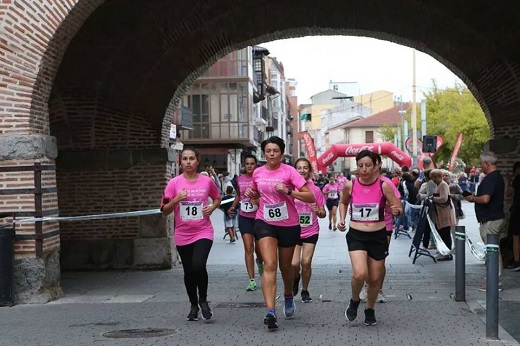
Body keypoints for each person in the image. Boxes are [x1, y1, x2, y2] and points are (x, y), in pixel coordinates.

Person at [244, 136, 314, 330]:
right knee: (270, 264)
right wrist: (252, 195)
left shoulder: (290, 171)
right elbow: (255, 193)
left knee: (286, 267)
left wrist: (289, 191)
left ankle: (288, 295)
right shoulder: (257, 172)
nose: (272, 154)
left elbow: (309, 195)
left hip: (289, 224)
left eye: (275, 151)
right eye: (268, 151)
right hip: (264, 221)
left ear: (281, 153)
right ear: (264, 153)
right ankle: (270, 311)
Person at [338, 150, 402, 326]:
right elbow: (343, 202)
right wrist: (342, 219)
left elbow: (397, 205)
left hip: (378, 235)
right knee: (360, 273)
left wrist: (397, 210)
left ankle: (370, 308)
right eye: (360, 166)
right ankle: (354, 300)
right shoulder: (350, 185)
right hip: (356, 234)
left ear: (376, 166)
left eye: (368, 165)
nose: (364, 169)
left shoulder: (384, 185)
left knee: (374, 278)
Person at [161, 148, 222, 321]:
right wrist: (176, 200)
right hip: (183, 233)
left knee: (198, 265)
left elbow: (217, 197)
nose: (188, 162)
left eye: (191, 158)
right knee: (189, 271)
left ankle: (203, 300)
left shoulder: (206, 181)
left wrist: (212, 207)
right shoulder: (174, 183)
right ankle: (193, 305)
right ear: (180, 162)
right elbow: (165, 210)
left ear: (197, 161)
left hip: (203, 230)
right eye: (185, 159)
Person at [465, 152, 505, 291]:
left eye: (481, 164)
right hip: (492, 218)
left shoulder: (491, 179)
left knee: (492, 250)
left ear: (487, 164)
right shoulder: (497, 177)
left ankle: (495, 282)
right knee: (492, 249)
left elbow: (485, 199)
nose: (480, 166)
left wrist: (472, 198)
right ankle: (493, 279)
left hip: (491, 219)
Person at [291, 158, 326, 303]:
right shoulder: (290, 188)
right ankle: (295, 278)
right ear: (295, 170)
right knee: (293, 264)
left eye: (305, 168)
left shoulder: (315, 190)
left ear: (309, 171)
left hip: (311, 230)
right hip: (293, 230)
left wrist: (319, 211)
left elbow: (323, 213)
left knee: (306, 262)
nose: (302, 170)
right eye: (299, 168)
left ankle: (305, 290)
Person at [229, 154, 264, 291]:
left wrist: (257, 199)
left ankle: (260, 263)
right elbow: (239, 194)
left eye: (252, 163)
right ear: (244, 165)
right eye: (247, 164)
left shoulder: (260, 178)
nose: (249, 166)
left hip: (259, 216)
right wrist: (233, 206)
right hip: (244, 217)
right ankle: (252, 279)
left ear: (256, 165)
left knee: (259, 249)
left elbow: (264, 195)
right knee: (248, 248)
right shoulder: (240, 179)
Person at [430, 169, 457, 261]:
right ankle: (443, 252)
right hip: (440, 213)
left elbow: (444, 198)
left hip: (445, 213)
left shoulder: (443, 185)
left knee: (445, 233)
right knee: (442, 233)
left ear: (438, 176)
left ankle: (447, 253)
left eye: (434, 177)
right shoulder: (439, 185)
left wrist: (433, 198)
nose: (433, 179)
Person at [506, 162, 520, 270]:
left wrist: (509, 181)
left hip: (518, 211)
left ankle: (516, 261)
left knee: (516, 237)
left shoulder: (517, 179)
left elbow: (508, 193)